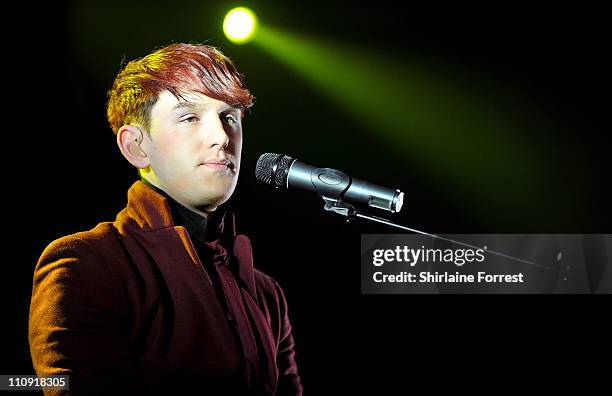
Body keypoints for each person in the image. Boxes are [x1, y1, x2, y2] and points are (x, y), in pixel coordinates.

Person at [28, 43, 302, 395]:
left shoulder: (267, 294)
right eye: (189, 117)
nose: (222, 137)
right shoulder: (84, 265)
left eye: (229, 117)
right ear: (136, 146)